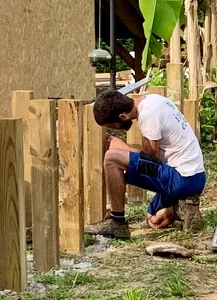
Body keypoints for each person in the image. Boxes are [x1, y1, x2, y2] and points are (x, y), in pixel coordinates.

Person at [88, 85, 207, 238]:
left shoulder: (148, 115)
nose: (116, 129)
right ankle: (181, 208)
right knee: (153, 219)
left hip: (183, 178)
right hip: (193, 175)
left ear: (122, 116)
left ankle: (117, 222)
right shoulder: (154, 100)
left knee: (112, 158)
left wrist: (122, 148)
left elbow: (151, 161)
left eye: (113, 126)